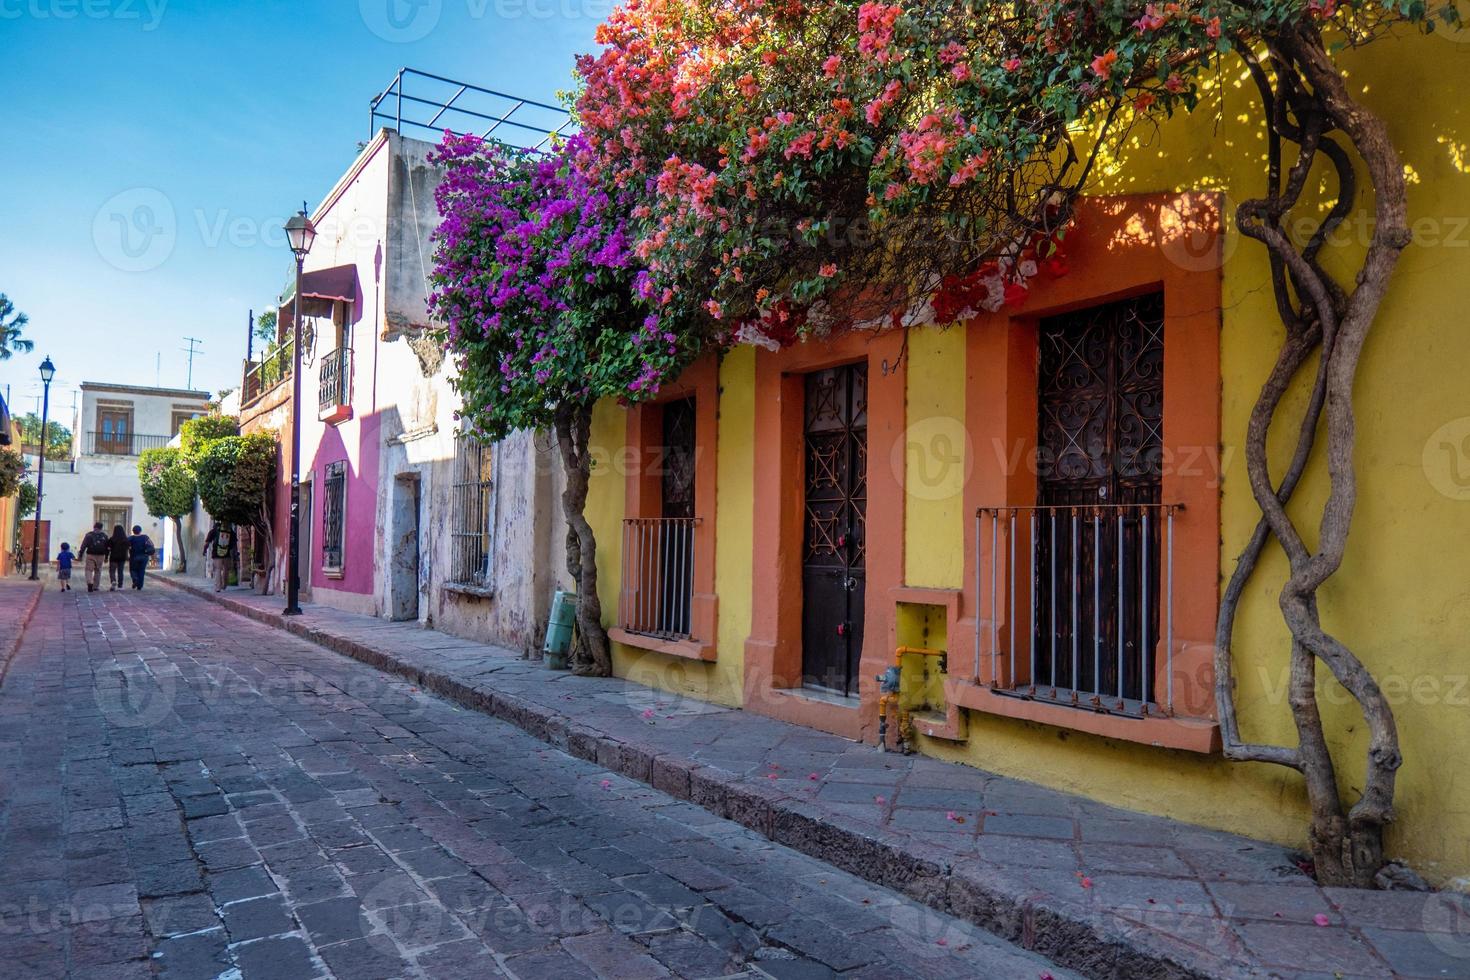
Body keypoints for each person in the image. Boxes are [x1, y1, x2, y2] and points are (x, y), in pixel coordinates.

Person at [203, 523, 237, 593]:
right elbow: (234, 542)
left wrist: (204, 550)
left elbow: (207, 543)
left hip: (216, 554)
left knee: (218, 570)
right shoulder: (230, 531)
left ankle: (218, 587)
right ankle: (224, 585)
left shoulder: (213, 531)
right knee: (226, 570)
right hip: (227, 554)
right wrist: (234, 552)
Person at [79, 522, 110, 592]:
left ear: (94, 527)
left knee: (88, 570)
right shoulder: (104, 536)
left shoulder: (89, 535)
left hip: (90, 554)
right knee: (98, 571)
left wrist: (81, 554)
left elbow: (83, 545)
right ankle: (95, 586)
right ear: (101, 528)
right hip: (101, 555)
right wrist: (106, 557)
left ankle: (89, 583)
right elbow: (107, 547)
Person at [127, 524, 154, 590]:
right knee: (141, 571)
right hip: (144, 557)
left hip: (134, 557)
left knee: (133, 570)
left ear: (133, 531)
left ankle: (135, 579)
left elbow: (127, 547)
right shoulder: (145, 537)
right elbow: (151, 544)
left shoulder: (130, 538)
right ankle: (140, 586)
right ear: (140, 531)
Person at [107, 524, 129, 591]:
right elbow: (128, 548)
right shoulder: (125, 539)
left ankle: (113, 581)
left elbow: (108, 548)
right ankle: (120, 585)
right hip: (122, 557)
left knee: (112, 570)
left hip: (113, 557)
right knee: (120, 571)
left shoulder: (112, 539)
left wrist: (106, 556)